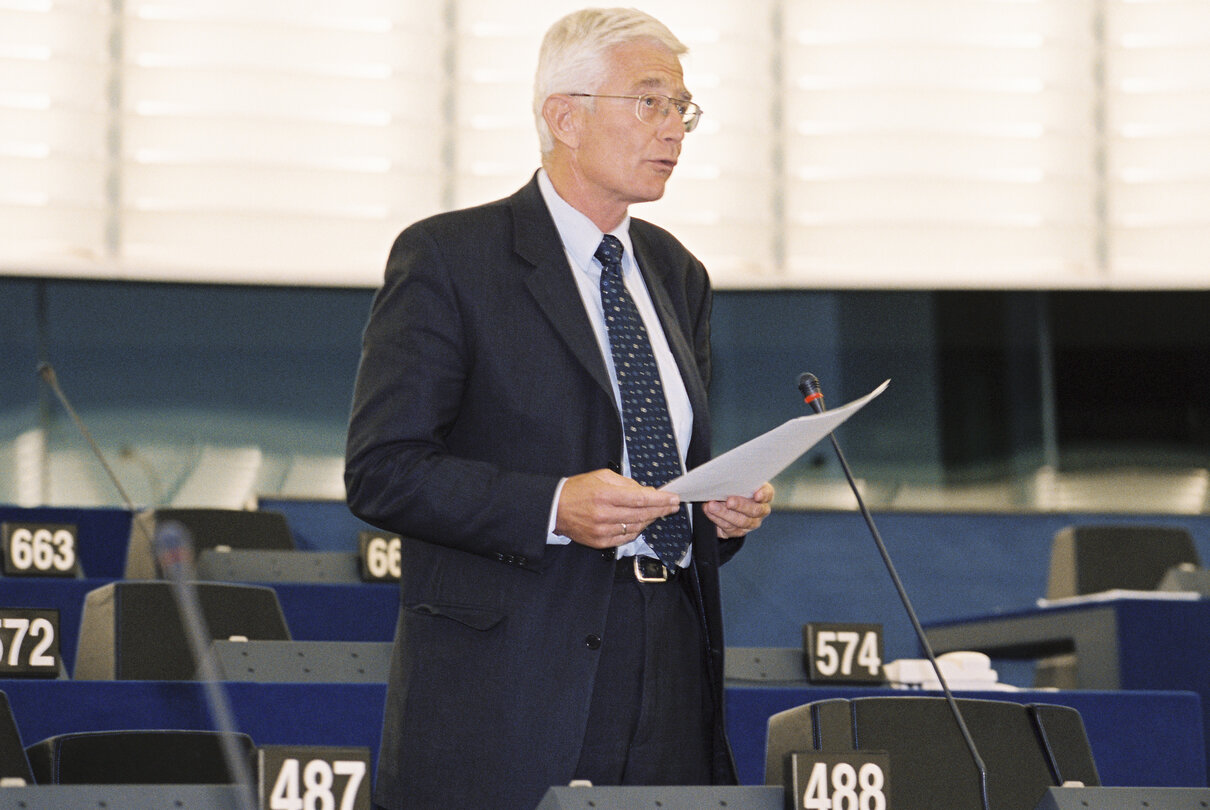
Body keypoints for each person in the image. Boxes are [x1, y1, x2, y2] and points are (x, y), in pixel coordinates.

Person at [344, 7, 774, 810]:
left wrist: (714, 511)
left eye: (684, 108)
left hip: (672, 656)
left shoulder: (679, 275)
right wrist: (552, 506)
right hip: (516, 674)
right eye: (650, 102)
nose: (674, 128)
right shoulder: (450, 258)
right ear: (564, 117)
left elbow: (664, 469)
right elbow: (382, 471)